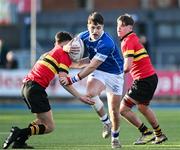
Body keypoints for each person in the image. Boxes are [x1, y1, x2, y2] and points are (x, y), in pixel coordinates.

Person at [2, 31, 94, 149]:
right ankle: (18, 132)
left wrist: (95, 59)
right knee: (50, 127)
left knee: (41, 120)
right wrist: (79, 96)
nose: (73, 47)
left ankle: (20, 142)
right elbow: (63, 81)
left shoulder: (50, 53)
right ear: (64, 43)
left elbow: (78, 64)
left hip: (26, 87)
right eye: (71, 43)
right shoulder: (63, 54)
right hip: (35, 89)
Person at [60, 12, 124, 149]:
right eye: (92, 27)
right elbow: (69, 46)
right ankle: (106, 122)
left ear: (103, 28)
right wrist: (67, 48)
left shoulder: (106, 43)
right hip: (99, 71)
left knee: (114, 110)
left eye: (98, 28)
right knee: (90, 93)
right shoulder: (82, 36)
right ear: (88, 26)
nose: (95, 31)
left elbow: (92, 65)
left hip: (115, 75)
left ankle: (115, 137)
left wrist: (73, 79)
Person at [116, 14, 167, 145]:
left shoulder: (127, 41)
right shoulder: (132, 38)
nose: (118, 28)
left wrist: (114, 71)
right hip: (150, 78)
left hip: (143, 80)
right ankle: (159, 134)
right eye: (118, 26)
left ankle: (146, 133)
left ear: (130, 27)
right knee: (143, 107)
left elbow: (127, 67)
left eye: (122, 26)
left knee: (123, 109)